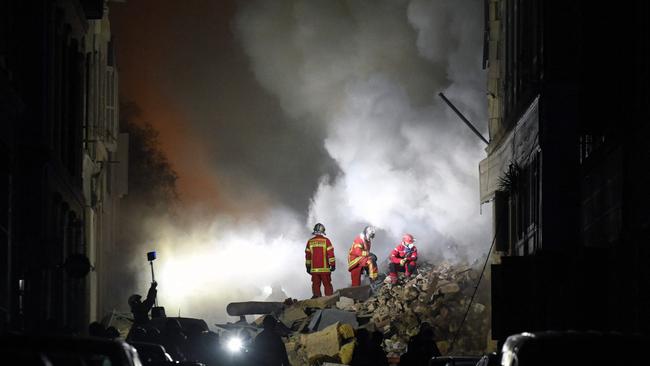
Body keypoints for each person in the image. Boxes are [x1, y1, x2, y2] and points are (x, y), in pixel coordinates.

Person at [305, 223, 336, 298]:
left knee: (316, 286)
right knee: (327, 285)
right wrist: (332, 265)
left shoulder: (310, 242)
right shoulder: (326, 241)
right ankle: (329, 302)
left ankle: (317, 303)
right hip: (325, 270)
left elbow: (308, 256)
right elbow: (331, 255)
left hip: (314, 270)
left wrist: (308, 267)